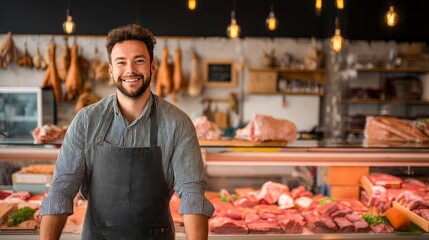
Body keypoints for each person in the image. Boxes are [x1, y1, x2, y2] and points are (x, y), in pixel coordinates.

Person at [39, 24, 214, 240]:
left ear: (152, 66)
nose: (130, 70)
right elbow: (62, 190)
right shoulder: (86, 121)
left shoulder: (178, 123)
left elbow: (192, 194)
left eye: (139, 60)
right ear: (111, 70)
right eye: (121, 62)